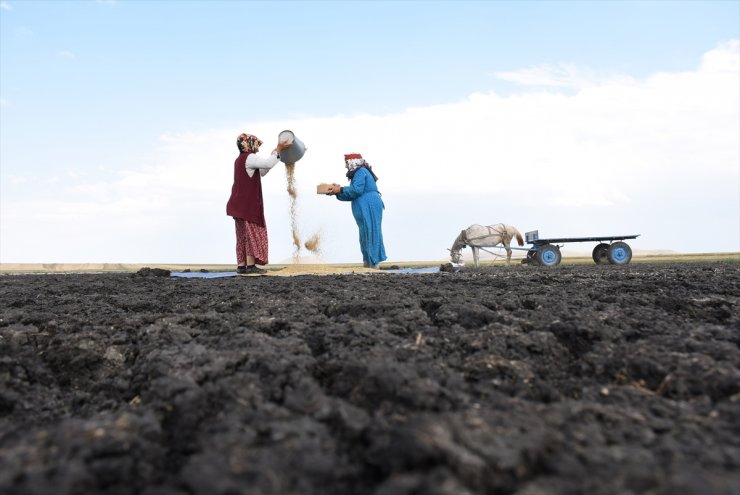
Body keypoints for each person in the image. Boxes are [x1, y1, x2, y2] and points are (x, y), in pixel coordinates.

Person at [226, 133, 291, 275]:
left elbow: (263, 171)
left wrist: (275, 153)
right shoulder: (249, 157)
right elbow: (267, 163)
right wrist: (278, 150)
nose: (258, 148)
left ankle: (241, 266)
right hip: (247, 205)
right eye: (256, 144)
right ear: (249, 144)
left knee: (242, 235)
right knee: (251, 234)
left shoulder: (239, 160)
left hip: (237, 204)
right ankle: (250, 266)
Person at [326, 153, 387, 269]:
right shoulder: (358, 174)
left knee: (371, 232)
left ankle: (373, 265)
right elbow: (352, 194)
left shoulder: (361, 172)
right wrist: (337, 192)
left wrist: (340, 189)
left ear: (352, 162)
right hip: (365, 206)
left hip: (370, 205)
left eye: (346, 163)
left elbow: (356, 191)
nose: (345, 167)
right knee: (365, 235)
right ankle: (368, 263)